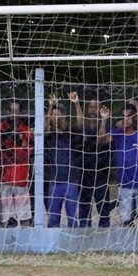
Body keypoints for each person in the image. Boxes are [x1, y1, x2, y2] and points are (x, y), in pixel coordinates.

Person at [98, 103, 138, 226]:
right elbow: (101, 140)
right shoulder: (117, 134)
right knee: (126, 221)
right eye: (123, 116)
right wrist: (104, 120)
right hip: (124, 183)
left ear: (134, 118)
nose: (126, 119)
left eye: (129, 116)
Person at [72, 92, 113, 228]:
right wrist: (76, 104)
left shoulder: (107, 126)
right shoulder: (83, 125)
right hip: (85, 173)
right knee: (84, 207)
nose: (93, 109)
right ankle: (85, 231)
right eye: (91, 107)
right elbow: (79, 124)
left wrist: (104, 120)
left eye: (96, 107)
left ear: (101, 108)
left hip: (101, 173)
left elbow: (101, 140)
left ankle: (104, 231)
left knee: (103, 208)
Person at [0, 100, 33, 227]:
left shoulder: (26, 131)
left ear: (20, 113)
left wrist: (9, 146)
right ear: (7, 111)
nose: (14, 113)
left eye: (16, 111)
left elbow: (24, 155)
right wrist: (17, 143)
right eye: (11, 110)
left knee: (25, 220)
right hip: (3, 178)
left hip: (20, 179)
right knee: (2, 220)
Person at [43, 100, 81, 228]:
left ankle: (74, 239)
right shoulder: (49, 135)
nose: (55, 117)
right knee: (53, 219)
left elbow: (80, 124)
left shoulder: (70, 133)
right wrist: (50, 107)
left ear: (64, 116)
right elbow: (44, 128)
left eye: (57, 114)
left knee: (73, 219)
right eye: (53, 115)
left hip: (70, 181)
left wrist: (76, 104)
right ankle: (52, 240)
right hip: (54, 182)